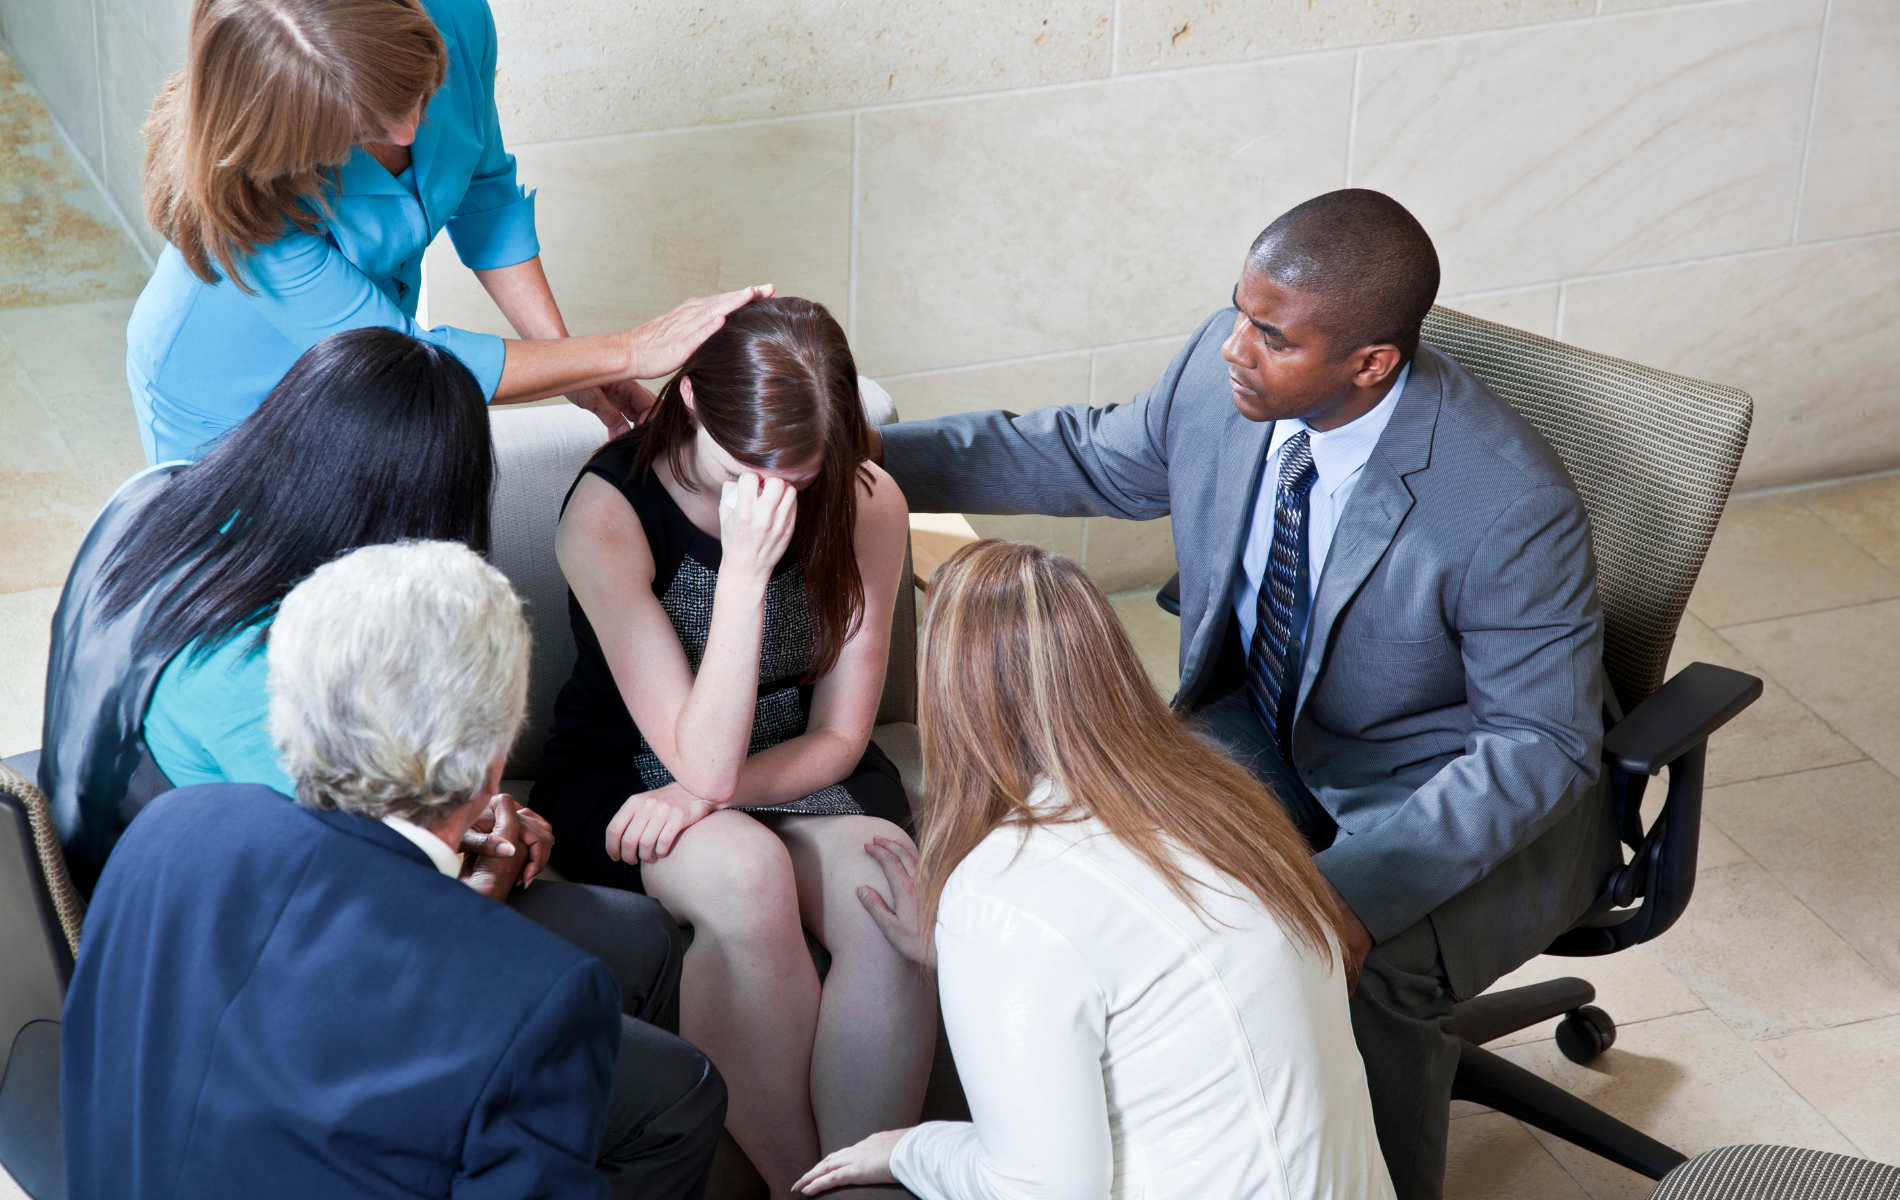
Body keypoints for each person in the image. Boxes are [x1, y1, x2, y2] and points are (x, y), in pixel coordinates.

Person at [864, 190, 1623, 1200]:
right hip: (1258, 738)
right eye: (1237, 312)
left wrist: (1341, 893)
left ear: (1370, 363)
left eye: (1271, 335)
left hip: (1448, 798)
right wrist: (852, 455)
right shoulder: (1230, 375)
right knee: (1089, 876)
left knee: (1334, 968)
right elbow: (1087, 455)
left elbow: (1537, 746)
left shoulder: (1504, 503)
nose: (1234, 347)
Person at [41, 329, 722, 1198]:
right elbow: (379, 908)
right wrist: (478, 875)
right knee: (656, 1054)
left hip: (168, 899)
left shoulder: (159, 498)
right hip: (248, 946)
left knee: (631, 941)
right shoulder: (255, 673)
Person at [791, 539, 1397, 1200]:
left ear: (953, 701)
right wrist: (963, 951)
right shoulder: (1227, 801)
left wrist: (909, 1147)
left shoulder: (1001, 890)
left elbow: (1042, 1189)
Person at [536, 296, 933, 1196]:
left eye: (798, 478)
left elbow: (838, 733)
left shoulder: (867, 500)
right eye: (744, 472)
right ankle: (803, 1183)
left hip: (786, 763)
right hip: (632, 772)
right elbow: (693, 760)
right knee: (748, 875)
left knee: (886, 877)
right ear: (685, 404)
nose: (770, 500)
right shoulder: (608, 514)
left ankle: (863, 1186)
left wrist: (709, 793)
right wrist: (747, 573)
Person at [129, 0, 766, 463]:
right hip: (229, 398)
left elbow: (484, 189)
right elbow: (410, 359)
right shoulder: (250, 206)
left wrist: (570, 364)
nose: (408, 134)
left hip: (370, 378)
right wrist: (629, 349)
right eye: (367, 127)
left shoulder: (454, 17)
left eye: (416, 97)